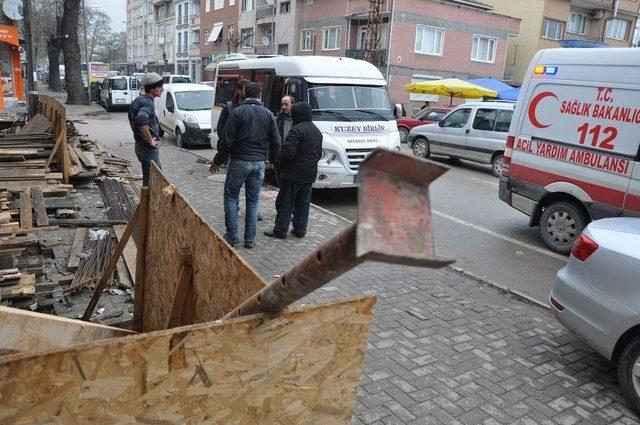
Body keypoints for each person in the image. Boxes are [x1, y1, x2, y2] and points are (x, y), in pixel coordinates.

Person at [210, 83, 281, 249]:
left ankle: (232, 236)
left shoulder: (237, 113)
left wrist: (218, 160)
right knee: (253, 201)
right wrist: (272, 161)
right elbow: (276, 141)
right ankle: (250, 240)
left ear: (244, 94)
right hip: (258, 163)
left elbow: (227, 141)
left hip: (239, 161)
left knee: (231, 196)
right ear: (260, 95)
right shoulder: (269, 114)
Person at [264, 102, 322, 240]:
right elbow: (318, 154)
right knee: (303, 203)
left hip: (292, 174)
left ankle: (280, 230)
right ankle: (300, 229)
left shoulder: (296, 130)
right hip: (309, 174)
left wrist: (278, 163)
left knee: (286, 203)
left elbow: (287, 153)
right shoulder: (317, 131)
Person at [128, 72, 164, 186]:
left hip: (140, 146)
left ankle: (146, 203)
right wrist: (150, 141)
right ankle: (148, 204)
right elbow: (141, 120)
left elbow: (131, 118)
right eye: (160, 87)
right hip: (147, 149)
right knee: (155, 183)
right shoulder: (147, 103)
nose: (162, 89)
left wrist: (138, 133)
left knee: (149, 181)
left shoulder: (139, 99)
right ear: (152, 89)